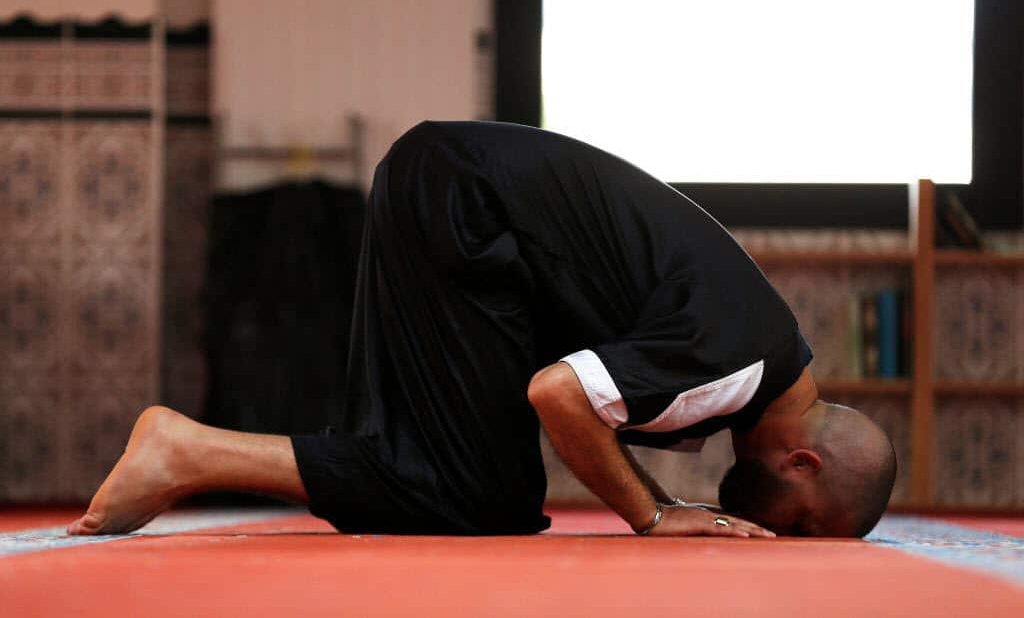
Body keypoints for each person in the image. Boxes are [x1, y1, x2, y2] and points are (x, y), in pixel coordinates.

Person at [67, 121, 896, 539]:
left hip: (457, 198)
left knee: (467, 488)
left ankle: (188, 451)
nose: (781, 537)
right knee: (478, 497)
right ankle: (184, 450)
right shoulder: (737, 360)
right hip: (462, 204)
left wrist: (659, 498)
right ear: (803, 460)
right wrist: (653, 514)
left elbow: (578, 376)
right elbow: (559, 393)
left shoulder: (759, 347)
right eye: (804, 523)